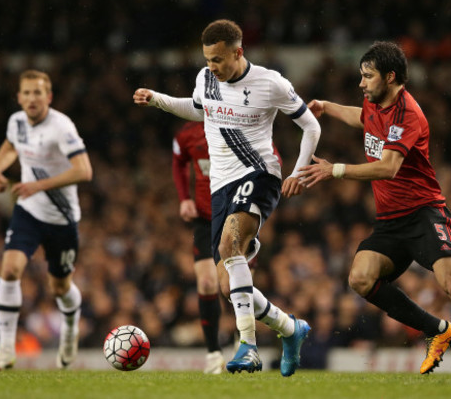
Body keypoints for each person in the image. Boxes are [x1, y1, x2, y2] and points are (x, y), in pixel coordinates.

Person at [297, 41, 451, 380]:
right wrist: (328, 107)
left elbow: (389, 167)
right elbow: (361, 117)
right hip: (390, 221)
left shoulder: (409, 114)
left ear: (390, 77)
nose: (361, 83)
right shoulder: (374, 102)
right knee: (360, 278)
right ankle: (437, 329)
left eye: (367, 76)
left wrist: (336, 170)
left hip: (425, 214)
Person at [134, 19, 320, 376]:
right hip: (220, 186)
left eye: (218, 59)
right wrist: (157, 100)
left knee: (228, 246)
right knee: (226, 284)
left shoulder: (270, 83)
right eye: (207, 59)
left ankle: (247, 346)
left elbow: (311, 125)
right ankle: (290, 329)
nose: (212, 67)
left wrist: (299, 172)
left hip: (259, 173)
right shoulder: (207, 79)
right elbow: (198, 108)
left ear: (238, 52)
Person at [0, 70, 92, 370]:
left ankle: (70, 326)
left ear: (49, 97)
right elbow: (10, 146)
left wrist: (38, 185)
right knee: (10, 270)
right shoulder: (16, 121)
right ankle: (5, 349)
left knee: (59, 287)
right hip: (28, 211)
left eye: (38, 93)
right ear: (19, 97)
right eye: (27, 93)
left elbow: (84, 171)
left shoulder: (62, 127)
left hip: (61, 218)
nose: (32, 98)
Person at [172, 121, 224, 374]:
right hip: (205, 218)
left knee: (233, 285)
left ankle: (244, 344)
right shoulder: (187, 134)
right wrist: (184, 199)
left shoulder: (242, 120)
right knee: (206, 283)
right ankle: (213, 354)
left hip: (238, 214)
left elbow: (271, 158)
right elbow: (178, 162)